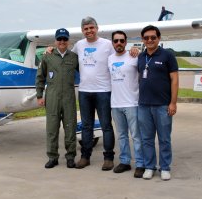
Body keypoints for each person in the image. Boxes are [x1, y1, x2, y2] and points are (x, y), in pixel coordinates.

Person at [73, 16, 116, 171]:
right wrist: (51, 50)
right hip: (84, 91)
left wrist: (133, 51)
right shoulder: (79, 45)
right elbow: (70, 59)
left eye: (91, 27)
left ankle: (109, 158)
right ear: (82, 31)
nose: (89, 31)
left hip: (103, 91)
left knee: (106, 126)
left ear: (97, 28)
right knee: (86, 126)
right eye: (85, 28)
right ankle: (85, 157)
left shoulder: (107, 44)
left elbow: (119, 56)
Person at [137, 25, 179, 181]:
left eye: (153, 37)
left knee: (164, 139)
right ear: (142, 39)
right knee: (146, 139)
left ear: (158, 38)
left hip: (162, 105)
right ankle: (149, 166)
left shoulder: (167, 56)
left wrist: (173, 103)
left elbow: (174, 80)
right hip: (143, 105)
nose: (149, 40)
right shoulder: (141, 57)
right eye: (146, 38)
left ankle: (165, 167)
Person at [35, 28, 78, 169]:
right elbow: (40, 76)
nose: (62, 42)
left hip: (69, 97)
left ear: (69, 41)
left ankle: (70, 157)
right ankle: (52, 157)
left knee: (70, 128)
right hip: (52, 97)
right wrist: (39, 95)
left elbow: (88, 70)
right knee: (52, 129)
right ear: (55, 41)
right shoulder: (47, 56)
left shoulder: (74, 57)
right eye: (59, 39)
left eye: (65, 39)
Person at [108, 30, 145, 178]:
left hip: (132, 102)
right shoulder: (110, 59)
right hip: (115, 103)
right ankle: (124, 161)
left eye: (122, 41)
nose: (119, 43)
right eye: (116, 41)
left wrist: (137, 50)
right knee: (122, 135)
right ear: (112, 42)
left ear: (126, 42)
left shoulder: (134, 56)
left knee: (136, 135)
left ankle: (140, 163)